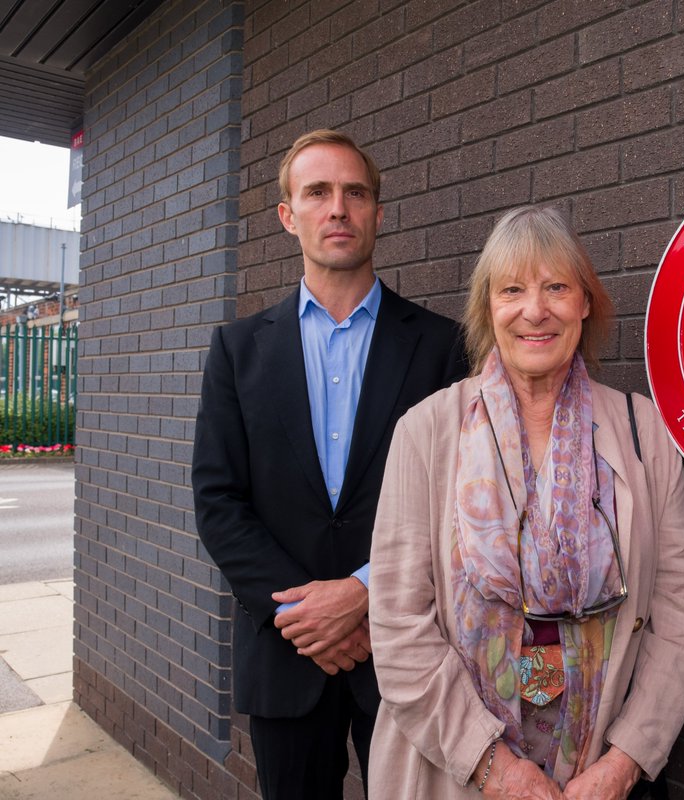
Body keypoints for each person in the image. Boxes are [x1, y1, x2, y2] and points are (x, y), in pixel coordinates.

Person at [367, 205, 684, 799]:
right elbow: (398, 627)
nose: (536, 310)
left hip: (595, 770)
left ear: (584, 303)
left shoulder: (641, 430)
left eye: (556, 287)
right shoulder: (426, 431)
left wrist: (624, 762)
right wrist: (496, 769)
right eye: (512, 290)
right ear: (487, 308)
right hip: (451, 771)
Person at [191, 129, 468, 799]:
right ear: (289, 215)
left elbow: (462, 496)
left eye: (355, 193)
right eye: (317, 192)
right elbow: (218, 501)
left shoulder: (441, 347)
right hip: (286, 654)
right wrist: (306, 614)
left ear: (377, 211)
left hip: (407, 651)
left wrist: (365, 593)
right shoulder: (237, 351)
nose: (337, 208)